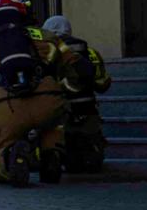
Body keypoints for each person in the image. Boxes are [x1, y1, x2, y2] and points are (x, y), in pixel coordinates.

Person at [0, 0, 86, 186]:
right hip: (47, 102)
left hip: (5, 109)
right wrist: (63, 91)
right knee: (53, 123)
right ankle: (52, 154)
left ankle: (8, 158)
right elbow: (80, 69)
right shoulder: (47, 36)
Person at [41, 15, 113, 173]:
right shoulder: (91, 52)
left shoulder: (48, 52)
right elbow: (103, 84)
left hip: (60, 111)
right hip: (88, 110)